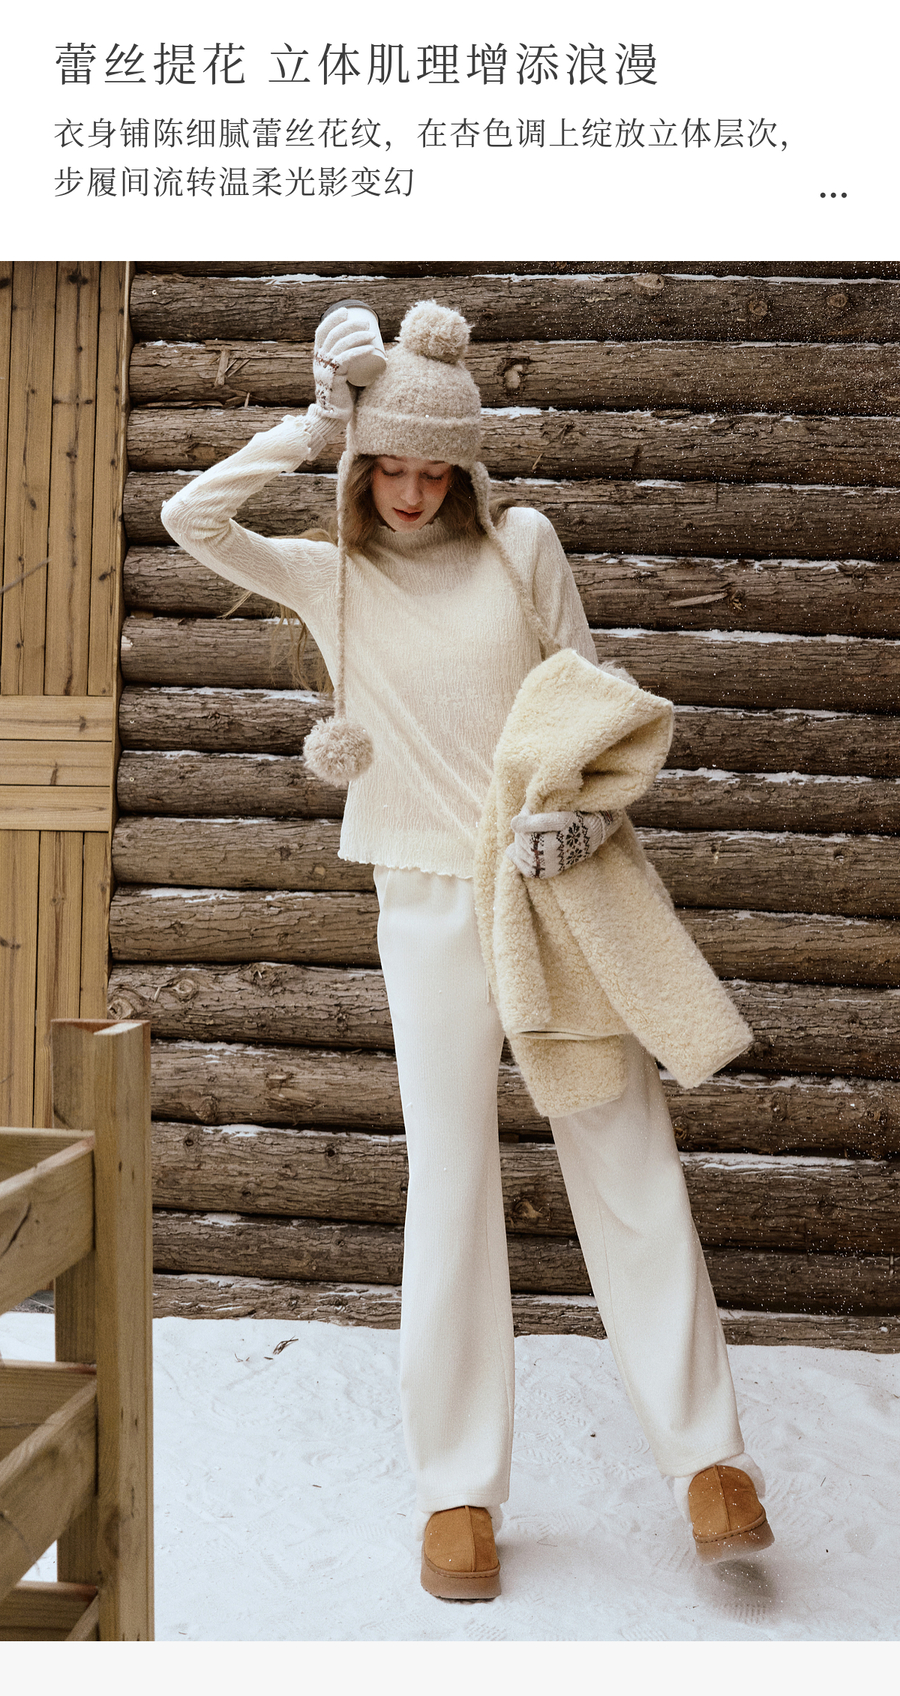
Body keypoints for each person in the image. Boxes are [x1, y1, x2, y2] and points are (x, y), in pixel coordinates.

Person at [161, 299, 774, 1601]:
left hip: (556, 886)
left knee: (624, 1149)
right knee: (450, 1180)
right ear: (359, 464)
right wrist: (312, 423)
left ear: (466, 469)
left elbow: (592, 708)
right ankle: (457, 1489)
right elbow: (192, 519)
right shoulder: (331, 576)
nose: (409, 490)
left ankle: (711, 1462)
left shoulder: (522, 545)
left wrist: (579, 816)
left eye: (433, 469)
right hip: (429, 903)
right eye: (387, 464)